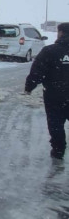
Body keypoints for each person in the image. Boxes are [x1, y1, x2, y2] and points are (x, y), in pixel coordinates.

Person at [24, 22, 69, 159]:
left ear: (61, 33)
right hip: (57, 93)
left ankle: (58, 149)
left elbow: (37, 72)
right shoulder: (50, 51)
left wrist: (29, 87)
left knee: (55, 122)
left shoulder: (50, 51)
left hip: (55, 94)